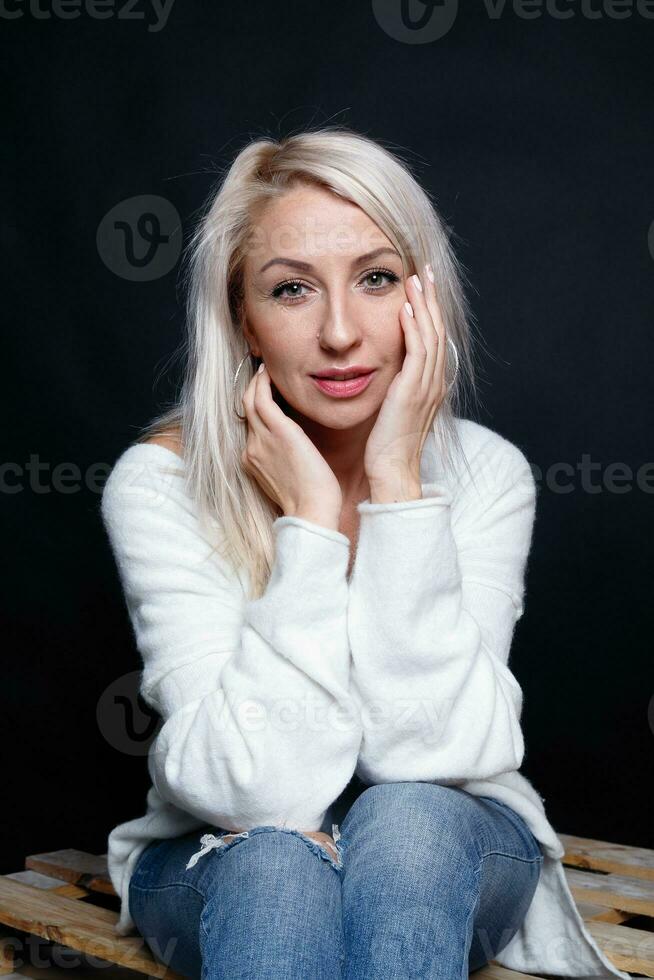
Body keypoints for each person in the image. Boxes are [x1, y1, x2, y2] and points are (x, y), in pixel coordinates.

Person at [100, 127, 628, 979]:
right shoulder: (161, 486)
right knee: (275, 863)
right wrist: (309, 519)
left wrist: (396, 487)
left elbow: (434, 755)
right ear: (244, 319)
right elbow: (254, 797)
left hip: (447, 849)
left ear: (425, 296)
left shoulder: (487, 474)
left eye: (376, 279)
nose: (341, 332)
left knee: (408, 822)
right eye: (292, 290)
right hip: (219, 858)